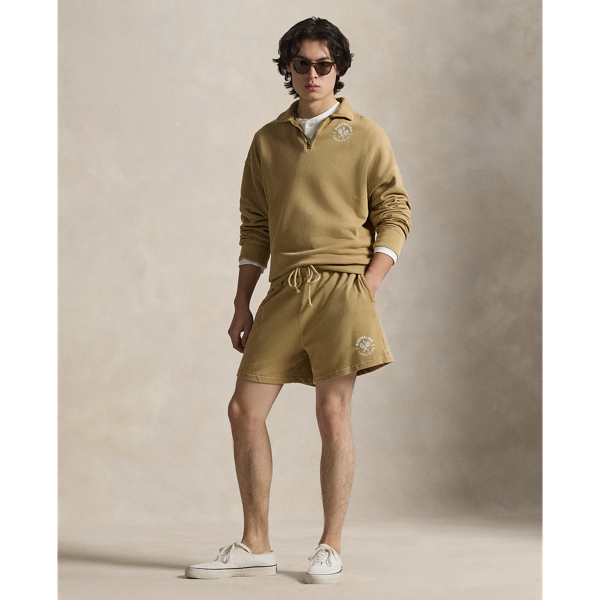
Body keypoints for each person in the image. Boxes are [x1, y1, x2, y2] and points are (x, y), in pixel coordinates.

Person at [185, 16, 411, 584]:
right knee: (244, 411)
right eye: (302, 64)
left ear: (339, 69)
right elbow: (255, 227)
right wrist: (242, 302)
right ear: (288, 68)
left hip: (343, 288)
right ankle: (255, 543)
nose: (313, 74)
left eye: (324, 65)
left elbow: (394, 211)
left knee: (332, 413)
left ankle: (330, 545)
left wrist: (370, 282)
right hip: (285, 289)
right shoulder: (267, 141)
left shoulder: (367, 136)